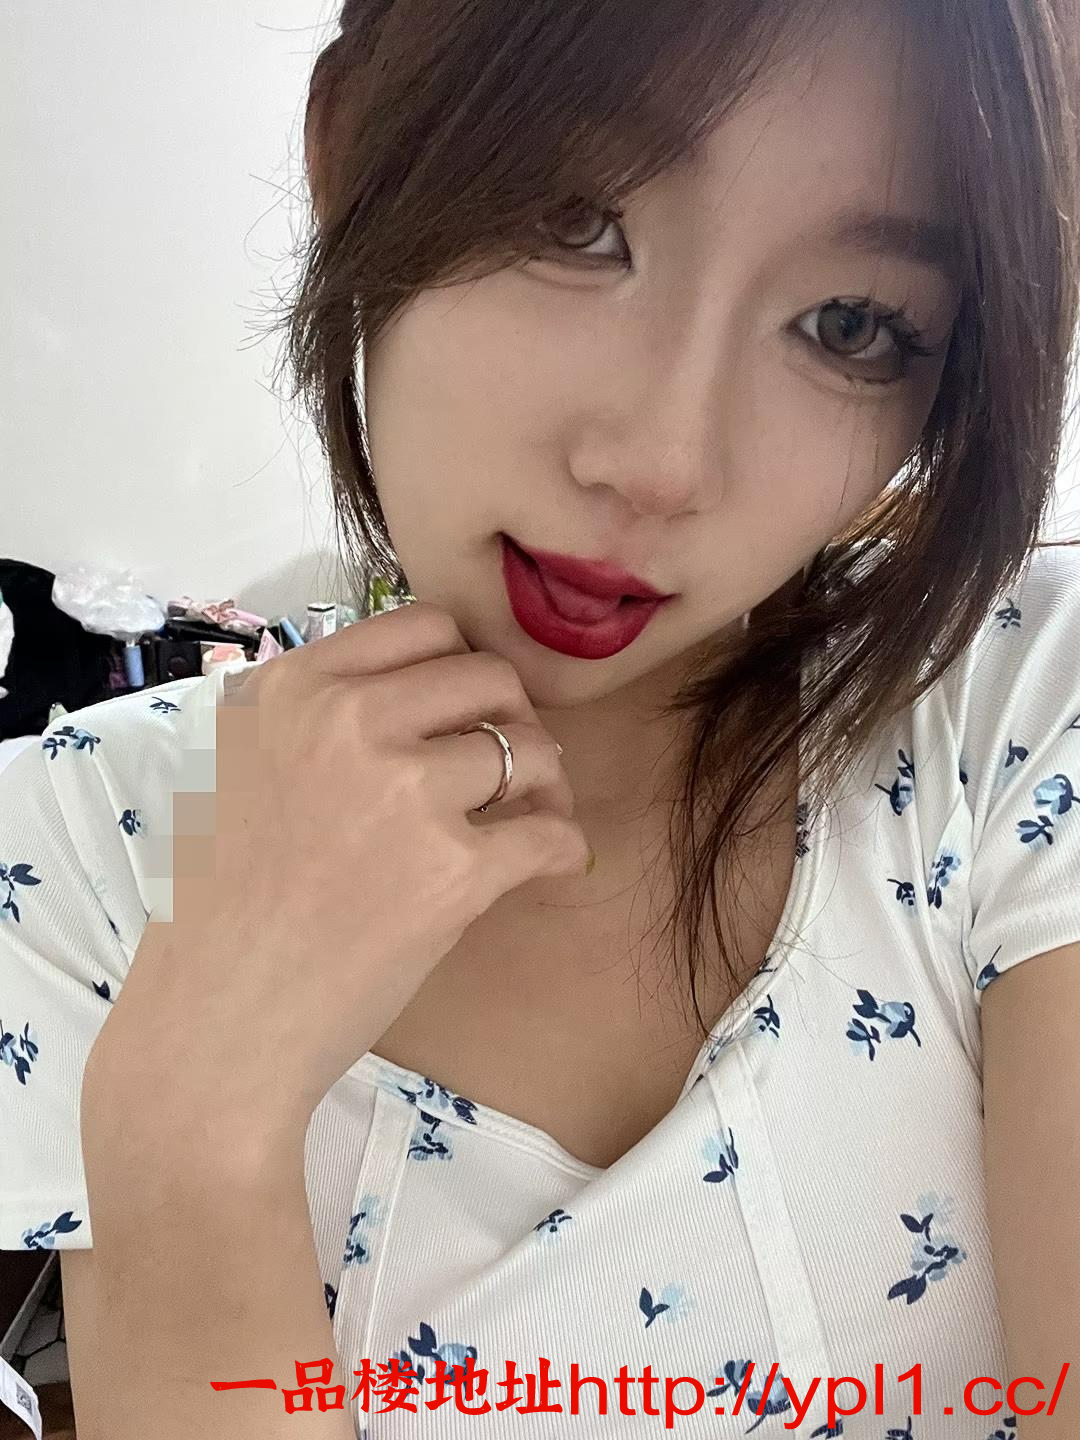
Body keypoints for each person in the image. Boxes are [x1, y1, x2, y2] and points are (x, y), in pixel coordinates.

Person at [1, 0, 1078, 1436]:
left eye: (852, 326)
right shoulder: (72, 856)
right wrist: (192, 1120)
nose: (661, 462)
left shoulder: (1012, 713)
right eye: (575, 222)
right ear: (350, 154)